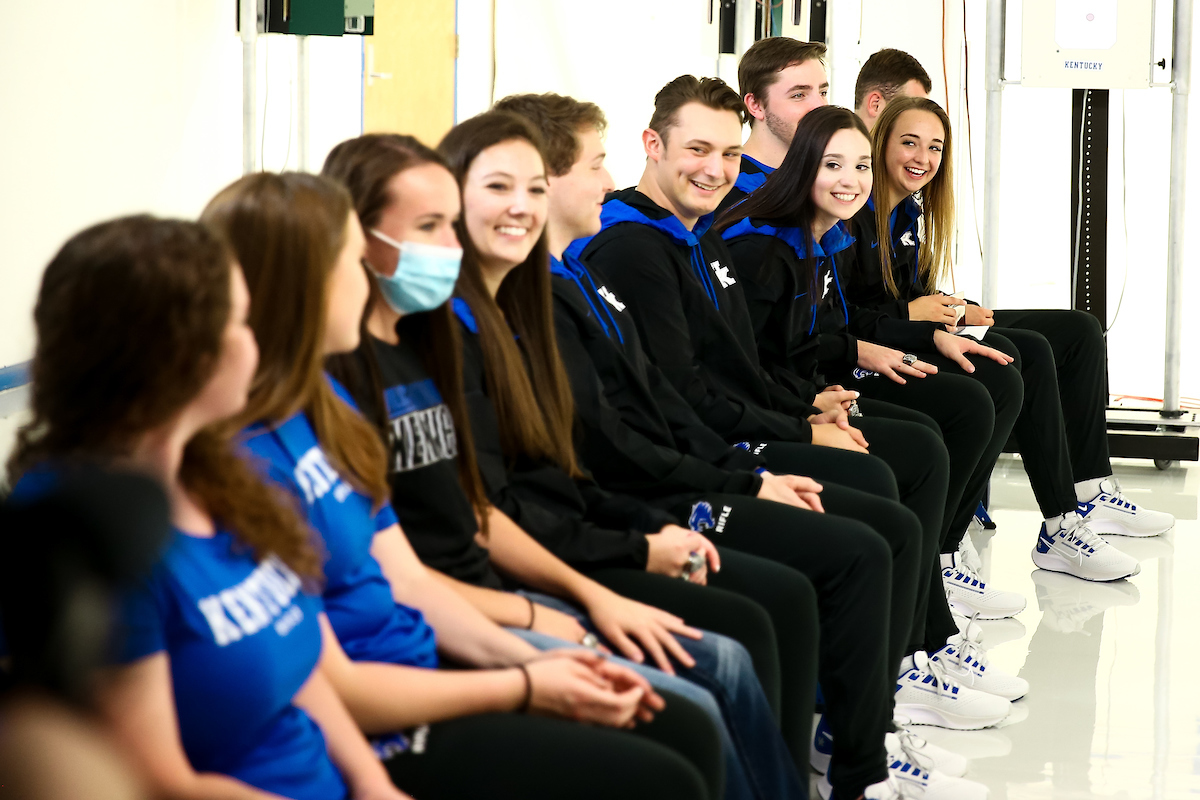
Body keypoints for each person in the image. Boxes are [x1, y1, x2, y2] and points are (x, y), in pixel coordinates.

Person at [203, 172, 724, 800]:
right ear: (298, 287)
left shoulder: (326, 404)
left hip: (433, 642)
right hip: (393, 693)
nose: (363, 275)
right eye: (351, 259)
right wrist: (528, 675)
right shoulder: (243, 458)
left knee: (686, 718)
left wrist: (537, 655)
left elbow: (410, 579)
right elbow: (323, 677)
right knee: (671, 750)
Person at [319, 132, 793, 800]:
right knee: (695, 707)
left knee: (734, 651)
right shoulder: (363, 370)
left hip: (514, 582)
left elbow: (498, 501)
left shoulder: (436, 335)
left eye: (534, 188)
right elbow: (427, 562)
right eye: (434, 226)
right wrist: (565, 608)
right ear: (355, 239)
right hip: (480, 606)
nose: (451, 246)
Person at [6, 215, 409, 800]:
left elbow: (300, 671)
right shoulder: (95, 538)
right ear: (185, 356)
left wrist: (374, 783)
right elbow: (161, 782)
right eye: (242, 322)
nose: (256, 341)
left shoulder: (223, 469)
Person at [847, 91, 1173, 581]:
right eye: (910, 143)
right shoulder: (853, 209)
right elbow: (851, 311)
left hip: (922, 326)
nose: (923, 158)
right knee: (1024, 353)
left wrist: (949, 305)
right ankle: (1053, 524)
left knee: (1078, 329)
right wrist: (915, 312)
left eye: (934, 148)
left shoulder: (910, 213)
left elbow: (904, 293)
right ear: (879, 138)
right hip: (885, 346)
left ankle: (1089, 493)